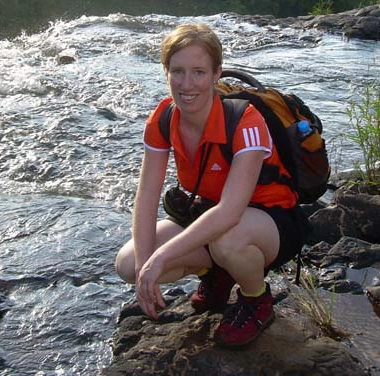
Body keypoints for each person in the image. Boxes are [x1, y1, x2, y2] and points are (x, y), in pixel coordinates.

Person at [114, 23, 308, 348]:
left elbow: (231, 212)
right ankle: (217, 275)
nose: (187, 84)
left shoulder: (245, 121)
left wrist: (161, 259)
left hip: (270, 223)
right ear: (166, 73)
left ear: (217, 73)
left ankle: (256, 299)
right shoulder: (162, 120)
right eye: (177, 71)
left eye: (199, 72)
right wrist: (146, 267)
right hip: (214, 219)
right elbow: (146, 197)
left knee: (227, 239)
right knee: (129, 263)